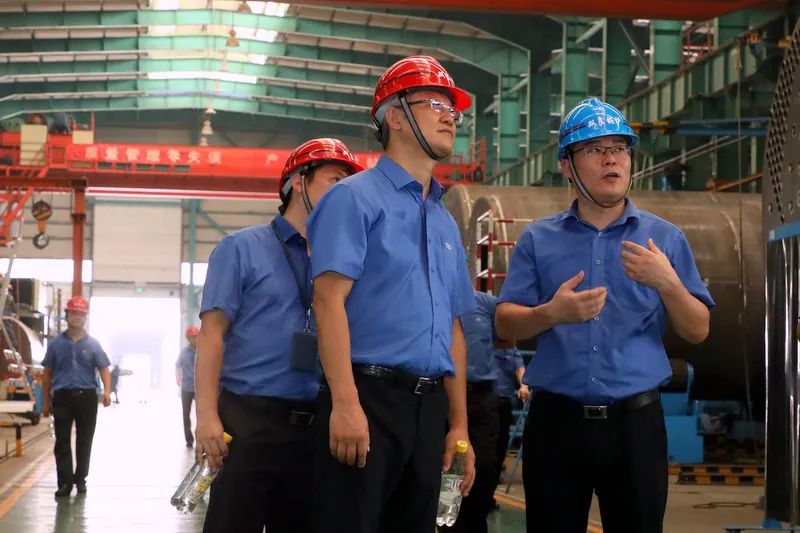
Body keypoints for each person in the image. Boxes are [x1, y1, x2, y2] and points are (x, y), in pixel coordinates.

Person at [495, 98, 714, 533]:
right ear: (567, 165)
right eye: (595, 149)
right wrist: (550, 313)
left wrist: (668, 283)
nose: (611, 158)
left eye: (619, 148)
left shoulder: (665, 239)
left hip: (635, 427)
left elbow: (697, 330)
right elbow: (504, 325)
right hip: (556, 426)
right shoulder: (538, 239)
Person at [307, 55, 476, 533]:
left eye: (452, 109)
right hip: (367, 399)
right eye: (435, 104)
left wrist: (458, 426)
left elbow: (454, 329)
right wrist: (346, 404)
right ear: (395, 117)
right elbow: (328, 302)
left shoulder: (444, 220)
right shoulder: (353, 199)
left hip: (429, 409)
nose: (449, 117)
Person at [195, 138, 362, 533]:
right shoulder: (240, 249)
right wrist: (206, 416)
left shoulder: (343, 260)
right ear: (298, 182)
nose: (344, 194)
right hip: (248, 420)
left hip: (317, 425)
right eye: (334, 180)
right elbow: (212, 335)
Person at [440, 290, 507, 533]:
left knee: (484, 469)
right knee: (444, 471)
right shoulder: (435, 299)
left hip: (481, 397)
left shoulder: (486, 304)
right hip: (441, 395)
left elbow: (507, 337)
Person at [41, 295, 112, 498]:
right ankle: (65, 484)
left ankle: (80, 479)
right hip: (62, 397)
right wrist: (45, 403)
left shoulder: (94, 344)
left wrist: (107, 391)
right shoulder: (55, 344)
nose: (77, 317)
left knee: (84, 440)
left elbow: (104, 369)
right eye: (74, 313)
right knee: (62, 441)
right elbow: (47, 374)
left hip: (87, 398)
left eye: (81, 314)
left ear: (86, 317)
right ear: (67, 315)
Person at [492, 344, 528, 493]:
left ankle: (490, 491)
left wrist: (524, 386)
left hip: (503, 402)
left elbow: (520, 369)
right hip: (483, 400)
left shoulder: (511, 350)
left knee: (501, 446)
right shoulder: (484, 344)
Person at [176, 325, 199, 448]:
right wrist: (178, 377)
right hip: (186, 388)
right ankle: (189, 440)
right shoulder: (183, 353)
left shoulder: (203, 351)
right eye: (191, 337)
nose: (193, 339)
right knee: (186, 414)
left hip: (200, 389)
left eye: (195, 336)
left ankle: (200, 438)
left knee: (201, 414)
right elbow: (177, 366)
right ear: (188, 338)